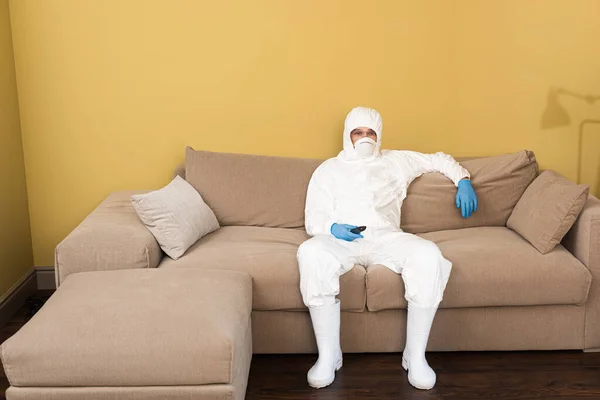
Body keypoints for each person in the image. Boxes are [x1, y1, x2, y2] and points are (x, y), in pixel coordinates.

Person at [297, 106, 478, 390]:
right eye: (358, 132)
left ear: (379, 136)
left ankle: (415, 356)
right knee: (310, 253)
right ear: (348, 135)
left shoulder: (396, 161)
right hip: (342, 241)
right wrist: (333, 229)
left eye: (371, 132)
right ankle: (328, 356)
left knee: (428, 255)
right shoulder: (329, 169)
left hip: (387, 238)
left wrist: (463, 180)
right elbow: (313, 216)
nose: (365, 137)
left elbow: (438, 160)